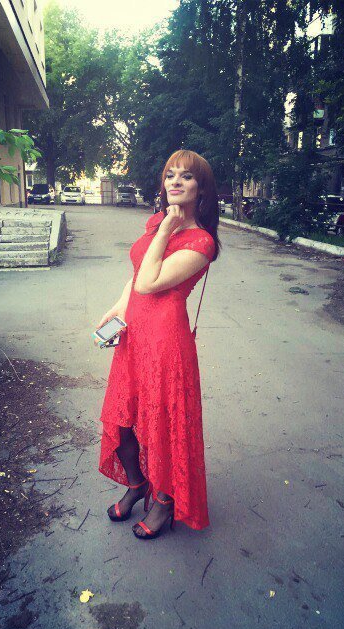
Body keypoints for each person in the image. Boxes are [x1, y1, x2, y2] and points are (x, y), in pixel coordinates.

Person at [96, 149, 221, 539]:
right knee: (123, 420)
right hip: (134, 336)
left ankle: (165, 502)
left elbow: (151, 282)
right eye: (170, 175)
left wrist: (167, 228)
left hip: (166, 344)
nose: (175, 182)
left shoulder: (201, 242)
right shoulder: (155, 223)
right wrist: (118, 309)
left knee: (162, 426)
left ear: (202, 189)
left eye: (186, 176)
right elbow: (137, 273)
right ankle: (137, 485)